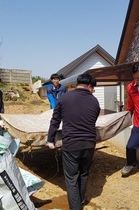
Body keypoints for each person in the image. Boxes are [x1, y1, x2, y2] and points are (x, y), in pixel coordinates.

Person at [46, 73, 100, 210]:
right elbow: (92, 120)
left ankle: (76, 207)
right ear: (89, 86)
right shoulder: (95, 101)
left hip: (71, 145)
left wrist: (50, 140)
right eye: (93, 88)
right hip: (89, 144)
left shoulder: (64, 99)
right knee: (83, 173)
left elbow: (55, 120)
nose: (93, 91)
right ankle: (81, 200)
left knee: (71, 178)